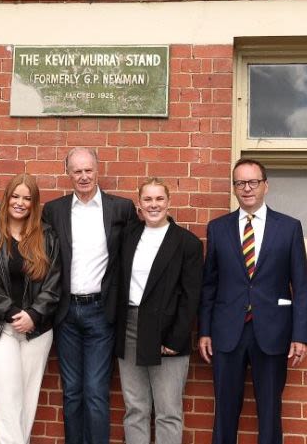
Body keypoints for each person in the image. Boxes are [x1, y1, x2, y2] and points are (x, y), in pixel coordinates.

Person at [198, 158, 307, 444]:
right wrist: (205, 331)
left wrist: (301, 336)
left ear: (265, 186)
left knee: (270, 412)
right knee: (224, 412)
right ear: (234, 188)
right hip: (227, 332)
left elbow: (301, 285)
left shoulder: (288, 228)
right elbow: (209, 284)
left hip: (273, 332)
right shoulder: (218, 228)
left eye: (253, 182)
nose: (247, 188)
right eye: (240, 183)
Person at [41, 147, 139, 444]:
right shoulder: (54, 210)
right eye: (77, 171)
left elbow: (134, 255)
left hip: (101, 311)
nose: (83, 176)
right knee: (71, 390)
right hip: (66, 312)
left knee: (96, 390)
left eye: (88, 170)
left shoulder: (121, 209)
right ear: (67, 173)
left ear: (98, 170)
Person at [0, 173, 62, 444]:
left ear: (34, 203)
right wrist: (11, 312)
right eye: (15, 196)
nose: (20, 203)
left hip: (37, 329)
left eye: (27, 198)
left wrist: (33, 314)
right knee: (6, 399)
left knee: (26, 402)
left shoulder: (47, 236)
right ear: (7, 198)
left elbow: (55, 282)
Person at [114, 178, 203, 444]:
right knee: (136, 408)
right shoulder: (128, 236)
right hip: (130, 326)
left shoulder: (187, 243)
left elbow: (191, 296)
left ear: (169, 202)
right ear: (139, 204)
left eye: (159, 199)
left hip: (167, 331)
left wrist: (176, 338)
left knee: (168, 411)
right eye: (148, 200)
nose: (154, 205)